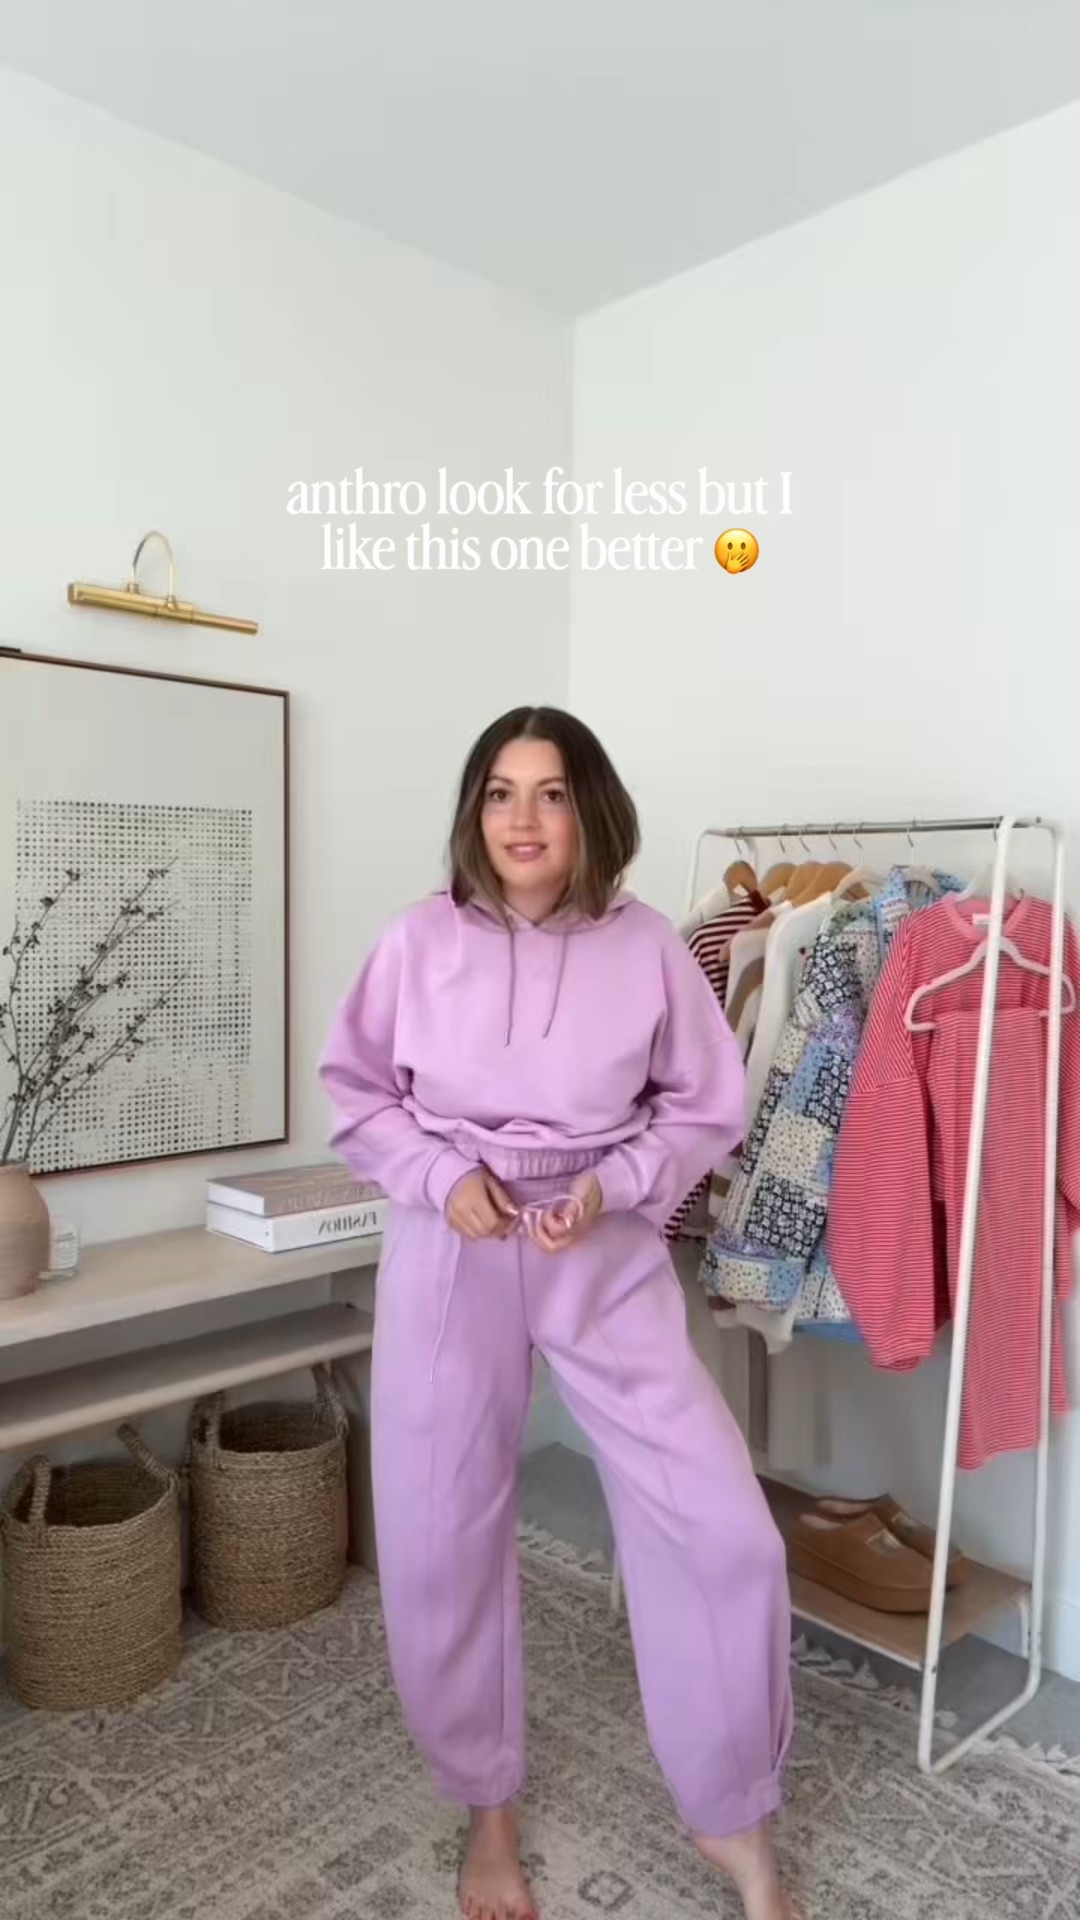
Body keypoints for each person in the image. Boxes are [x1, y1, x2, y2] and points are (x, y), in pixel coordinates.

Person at [319, 707, 799, 1920]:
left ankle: (732, 1817)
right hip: (453, 1242)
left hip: (600, 1242)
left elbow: (704, 1106)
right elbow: (358, 1093)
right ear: (473, 812)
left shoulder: (649, 949)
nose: (522, 819)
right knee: (439, 1530)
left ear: (592, 810)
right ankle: (487, 1811)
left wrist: (613, 1184)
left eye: (549, 792)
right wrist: (441, 1178)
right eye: (499, 792)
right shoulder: (416, 939)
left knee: (719, 1524)